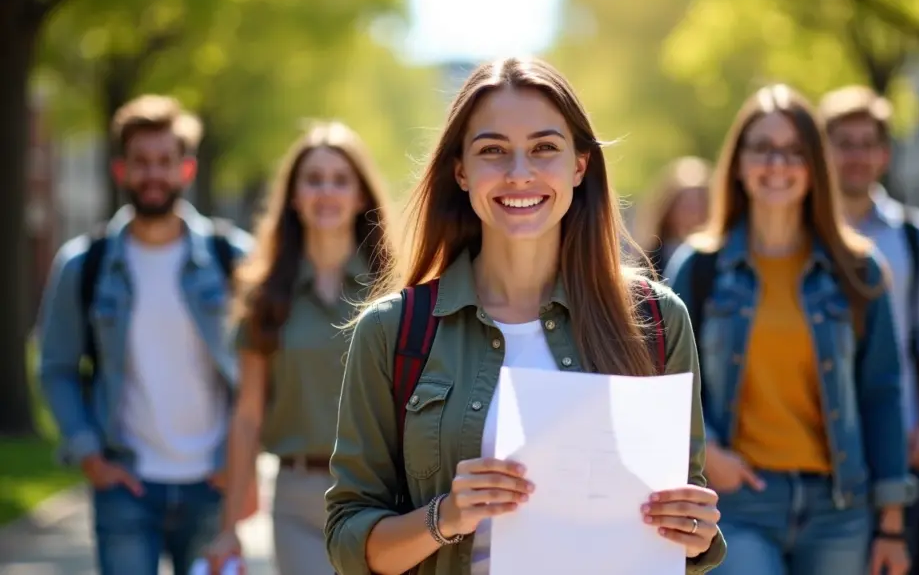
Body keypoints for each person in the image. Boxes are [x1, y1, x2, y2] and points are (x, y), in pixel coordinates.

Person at [324, 57, 726, 575]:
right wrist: (445, 516)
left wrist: (694, 529)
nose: (519, 174)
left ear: (579, 166)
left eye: (544, 149)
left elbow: (683, 532)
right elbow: (347, 543)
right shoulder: (393, 331)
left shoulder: (656, 319)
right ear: (461, 171)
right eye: (493, 151)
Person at [667, 84, 915, 575]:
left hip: (839, 508)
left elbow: (882, 395)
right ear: (738, 163)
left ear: (815, 166)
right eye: (762, 148)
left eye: (794, 151)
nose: (777, 163)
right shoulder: (699, 268)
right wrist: (708, 450)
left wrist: (892, 524)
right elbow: (665, 382)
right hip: (736, 505)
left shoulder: (859, 271)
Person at [36, 95, 253, 575]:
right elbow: (55, 367)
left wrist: (240, 464)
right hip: (125, 487)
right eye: (141, 162)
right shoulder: (83, 265)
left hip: (212, 484)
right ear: (121, 171)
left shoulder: (233, 259)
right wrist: (88, 453)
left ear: (187, 169)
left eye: (164, 161)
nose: (153, 174)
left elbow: (269, 370)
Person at [203, 122, 395, 573]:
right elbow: (247, 413)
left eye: (339, 180)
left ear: (361, 195)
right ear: (293, 197)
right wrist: (229, 526)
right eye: (313, 179)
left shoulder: (395, 291)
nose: (325, 191)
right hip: (295, 498)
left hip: (380, 495)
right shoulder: (264, 296)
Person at [819, 85, 919, 558]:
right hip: (815, 443)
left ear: (884, 154)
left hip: (896, 439)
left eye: (866, 143)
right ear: (824, 151)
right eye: (843, 143)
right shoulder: (800, 233)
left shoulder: (917, 237)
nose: (856, 156)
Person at [634, 156, 711, 279]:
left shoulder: (720, 259)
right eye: (686, 204)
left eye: (701, 201)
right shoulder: (648, 262)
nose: (694, 212)